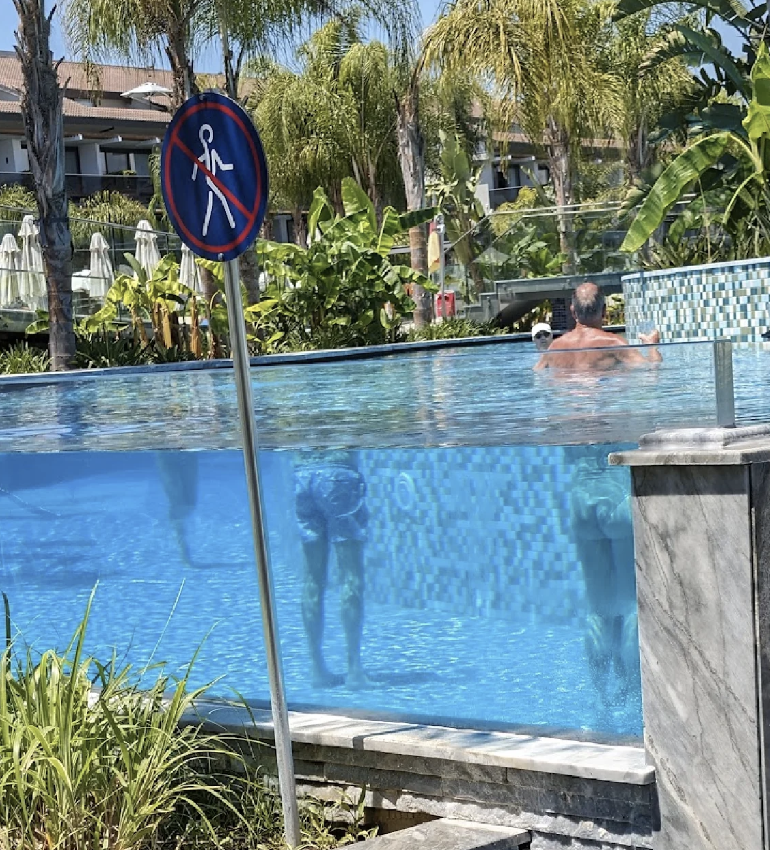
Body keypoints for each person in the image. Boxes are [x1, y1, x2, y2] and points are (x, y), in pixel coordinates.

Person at [569, 445, 639, 713]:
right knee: (631, 606)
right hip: (619, 492)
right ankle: (634, 693)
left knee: (599, 610)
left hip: (582, 500)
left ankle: (600, 697)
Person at [293, 449, 369, 688]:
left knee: (312, 579)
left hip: (303, 474)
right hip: (339, 473)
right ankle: (354, 670)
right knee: (351, 576)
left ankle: (317, 669)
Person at [535, 282, 661, 370]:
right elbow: (652, 371)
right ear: (604, 311)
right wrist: (652, 347)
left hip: (569, 406)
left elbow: (537, 375)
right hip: (602, 403)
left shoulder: (554, 347)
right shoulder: (614, 343)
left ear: (573, 312)